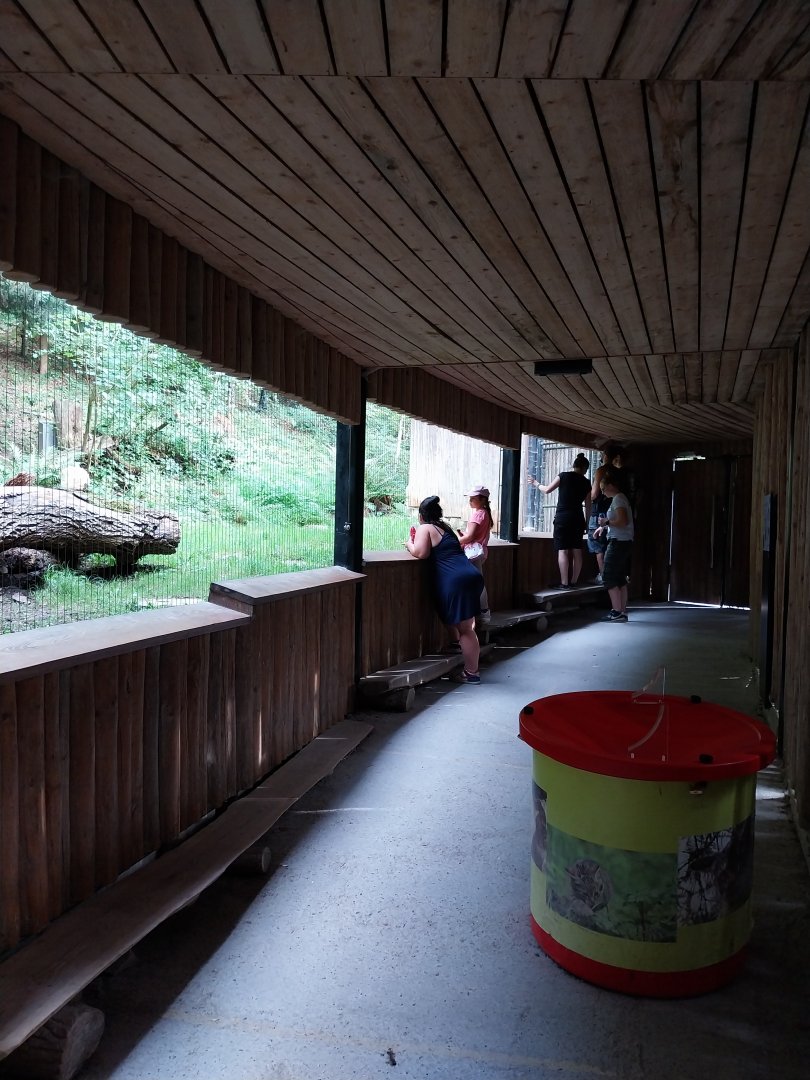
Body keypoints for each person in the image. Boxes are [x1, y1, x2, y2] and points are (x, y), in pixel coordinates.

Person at [406, 495, 484, 683]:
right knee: (454, 617)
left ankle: (471, 673)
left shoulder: (425, 528)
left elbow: (421, 553)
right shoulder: (445, 528)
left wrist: (409, 543)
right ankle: (458, 646)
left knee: (466, 629)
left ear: (421, 516)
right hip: (470, 575)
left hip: (456, 579)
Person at [529, 453, 591, 588]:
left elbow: (546, 490)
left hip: (563, 517)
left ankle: (564, 583)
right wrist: (587, 523)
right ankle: (574, 581)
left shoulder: (564, 476)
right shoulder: (587, 483)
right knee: (577, 550)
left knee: (563, 550)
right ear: (585, 468)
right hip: (578, 518)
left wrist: (536, 483)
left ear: (574, 465)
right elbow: (588, 506)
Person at [592, 467, 634, 622]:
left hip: (618, 543)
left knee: (608, 576)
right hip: (623, 541)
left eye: (603, 489)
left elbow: (623, 521)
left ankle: (616, 611)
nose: (602, 493)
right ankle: (621, 611)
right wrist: (603, 527)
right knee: (620, 578)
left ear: (610, 486)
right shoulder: (620, 498)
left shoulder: (618, 499)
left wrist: (606, 522)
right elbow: (620, 522)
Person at [457, 484, 493, 623]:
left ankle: (483, 612)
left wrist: (457, 541)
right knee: (477, 580)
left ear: (482, 499)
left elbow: (470, 537)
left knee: (478, 581)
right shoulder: (485, 513)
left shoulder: (477, 514)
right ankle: (482, 611)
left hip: (472, 553)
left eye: (473, 498)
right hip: (480, 551)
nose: (470, 501)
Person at [587, 445, 622, 583]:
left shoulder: (601, 470)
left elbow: (594, 494)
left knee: (598, 545)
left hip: (599, 512)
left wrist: (586, 497)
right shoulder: (619, 472)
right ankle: (613, 575)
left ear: (605, 455)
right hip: (613, 510)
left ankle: (604, 576)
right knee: (609, 544)